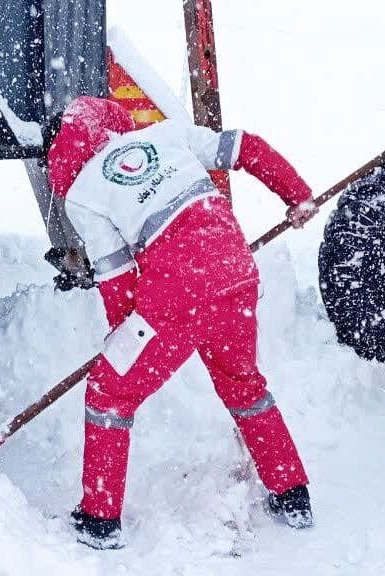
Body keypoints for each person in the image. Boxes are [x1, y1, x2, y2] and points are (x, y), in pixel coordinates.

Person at [45, 95, 318, 550]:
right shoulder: (165, 134)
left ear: (61, 153)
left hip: (177, 295)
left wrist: (126, 335)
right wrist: (297, 194)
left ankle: (99, 521)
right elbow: (245, 147)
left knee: (109, 392)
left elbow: (115, 273)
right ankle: (292, 495)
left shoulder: (83, 193)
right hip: (235, 271)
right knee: (243, 384)